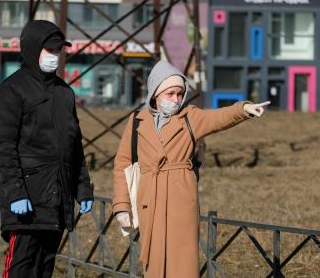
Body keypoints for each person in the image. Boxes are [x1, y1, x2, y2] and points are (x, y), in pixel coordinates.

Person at [113, 60, 269, 277]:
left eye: (180, 93)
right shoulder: (137, 121)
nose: (176, 99)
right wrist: (121, 206)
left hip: (180, 197)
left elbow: (218, 118)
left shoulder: (190, 117)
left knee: (182, 263)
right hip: (150, 198)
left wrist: (243, 109)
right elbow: (123, 163)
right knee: (154, 263)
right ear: (156, 93)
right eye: (170, 93)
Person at [0, 20, 94, 278]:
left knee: (44, 267)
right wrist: (15, 193)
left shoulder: (64, 93)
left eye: (58, 51)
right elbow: (2, 146)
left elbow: (74, 147)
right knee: (20, 266)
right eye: (50, 50)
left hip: (57, 200)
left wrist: (83, 189)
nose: (54, 56)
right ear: (34, 49)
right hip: (27, 199)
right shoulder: (11, 90)